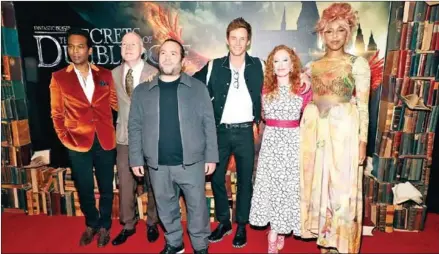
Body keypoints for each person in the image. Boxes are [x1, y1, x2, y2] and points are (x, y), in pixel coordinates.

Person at [128, 38, 218, 254]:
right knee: (165, 207)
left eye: (174, 53)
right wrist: (136, 158)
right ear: (158, 58)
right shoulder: (142, 91)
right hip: (157, 164)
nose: (167, 57)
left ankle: (200, 246)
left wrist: (212, 156)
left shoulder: (198, 89)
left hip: (192, 163)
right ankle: (175, 243)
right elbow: (134, 127)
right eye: (164, 53)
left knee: (197, 209)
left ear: (182, 59)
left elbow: (209, 123)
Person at [299, 3, 371, 253]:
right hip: (317, 135)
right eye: (329, 31)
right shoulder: (312, 67)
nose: (335, 36)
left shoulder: (358, 64)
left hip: (345, 135)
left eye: (340, 30)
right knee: (320, 186)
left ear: (348, 31)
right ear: (322, 33)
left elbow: (363, 106)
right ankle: (326, 239)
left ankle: (343, 243)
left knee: (343, 190)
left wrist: (363, 141)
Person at [193, 17, 265, 248]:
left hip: (246, 132)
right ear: (227, 40)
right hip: (218, 132)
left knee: (245, 181)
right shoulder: (214, 65)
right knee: (215, 177)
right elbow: (192, 86)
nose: (237, 42)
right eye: (233, 38)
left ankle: (241, 225)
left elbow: (280, 82)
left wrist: (301, 77)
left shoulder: (260, 65)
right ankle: (224, 222)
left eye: (242, 38)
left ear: (249, 41)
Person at [49, 28, 118, 247]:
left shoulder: (105, 75)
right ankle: (92, 223)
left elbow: (116, 104)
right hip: (77, 142)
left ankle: (105, 226)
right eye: (71, 46)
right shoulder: (59, 77)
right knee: (85, 187)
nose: (75, 51)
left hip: (106, 139)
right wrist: (66, 139)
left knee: (107, 186)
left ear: (89, 50)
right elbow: (56, 114)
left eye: (80, 46)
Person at [249, 45, 312, 253]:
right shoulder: (266, 88)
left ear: (293, 63)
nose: (281, 65)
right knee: (272, 189)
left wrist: (307, 76)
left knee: (288, 189)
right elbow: (264, 117)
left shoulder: (303, 88)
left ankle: (280, 228)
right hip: (271, 144)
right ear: (271, 66)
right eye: (276, 61)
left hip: (293, 143)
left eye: (285, 60)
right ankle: (274, 232)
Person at [111, 32, 160, 246]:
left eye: (133, 44)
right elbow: (115, 104)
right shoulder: (112, 74)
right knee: (125, 182)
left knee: (155, 183)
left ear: (142, 49)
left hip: (150, 138)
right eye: (124, 44)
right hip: (124, 138)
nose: (128, 47)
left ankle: (152, 222)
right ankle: (128, 225)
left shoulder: (156, 73)